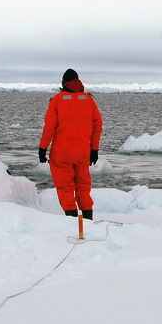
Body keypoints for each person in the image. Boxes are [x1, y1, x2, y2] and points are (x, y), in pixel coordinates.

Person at [38, 68, 103, 220]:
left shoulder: (57, 100)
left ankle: (72, 221)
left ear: (63, 83)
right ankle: (87, 220)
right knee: (83, 186)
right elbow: (97, 126)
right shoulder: (89, 100)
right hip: (83, 153)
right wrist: (94, 149)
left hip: (61, 154)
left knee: (65, 187)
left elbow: (49, 127)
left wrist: (43, 148)